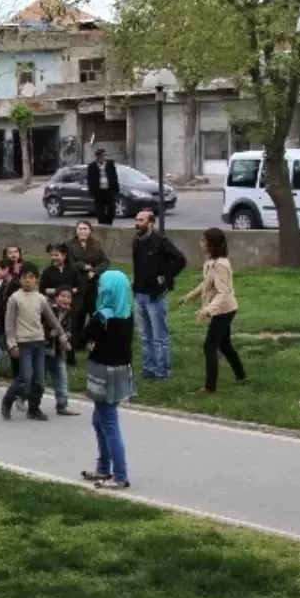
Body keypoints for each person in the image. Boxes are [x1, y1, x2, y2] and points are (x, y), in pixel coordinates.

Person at [81, 270, 136, 490]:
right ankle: (103, 467)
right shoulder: (127, 313)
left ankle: (120, 475)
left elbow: (81, 339)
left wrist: (89, 342)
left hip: (103, 370)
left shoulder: (101, 317)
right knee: (100, 419)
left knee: (109, 422)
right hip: (121, 369)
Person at [179, 227, 246, 395]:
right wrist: (189, 296)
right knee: (225, 345)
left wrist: (208, 311)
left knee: (210, 347)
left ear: (211, 244)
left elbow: (223, 292)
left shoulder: (221, 265)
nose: (200, 243)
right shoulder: (211, 262)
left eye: (203, 241)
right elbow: (207, 284)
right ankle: (242, 376)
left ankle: (210, 388)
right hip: (223, 309)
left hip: (224, 311)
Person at [2, 263, 69, 421]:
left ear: (36, 280)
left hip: (39, 342)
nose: (27, 281)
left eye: (31, 278)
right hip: (23, 343)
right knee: (25, 377)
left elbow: (52, 319)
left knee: (39, 379)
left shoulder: (41, 298)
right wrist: (12, 344)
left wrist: (62, 335)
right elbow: (9, 325)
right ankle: (7, 400)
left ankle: (33, 408)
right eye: (25, 278)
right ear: (20, 279)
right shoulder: (14, 299)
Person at [132, 210, 187, 380]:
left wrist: (165, 278)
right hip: (139, 293)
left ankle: (163, 372)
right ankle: (149, 369)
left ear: (151, 223)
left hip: (155, 296)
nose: (137, 223)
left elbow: (180, 260)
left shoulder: (160, 242)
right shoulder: (137, 242)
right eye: (136, 220)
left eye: (141, 220)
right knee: (144, 335)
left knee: (159, 336)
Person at [67, 220, 110, 343]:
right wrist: (83, 266)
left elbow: (105, 262)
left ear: (90, 231)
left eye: (85, 228)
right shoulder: (69, 245)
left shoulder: (96, 244)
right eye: (80, 228)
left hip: (92, 283)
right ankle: (76, 340)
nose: (82, 231)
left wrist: (95, 271)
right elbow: (67, 262)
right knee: (77, 312)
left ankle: (94, 339)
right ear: (76, 230)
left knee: (93, 310)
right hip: (77, 282)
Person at [46, 287, 79, 417]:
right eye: (63, 296)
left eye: (68, 297)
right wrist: (50, 334)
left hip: (58, 351)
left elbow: (69, 330)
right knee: (36, 379)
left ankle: (62, 405)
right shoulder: (48, 310)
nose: (66, 299)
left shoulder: (69, 313)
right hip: (45, 349)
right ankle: (23, 398)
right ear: (56, 297)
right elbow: (40, 326)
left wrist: (67, 340)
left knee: (62, 377)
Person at [39, 243, 85, 311]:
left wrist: (70, 292)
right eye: (51, 255)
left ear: (64, 255)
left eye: (56, 255)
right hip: (52, 307)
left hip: (70, 307)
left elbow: (81, 287)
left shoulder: (72, 270)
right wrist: (56, 291)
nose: (53, 258)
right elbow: (42, 289)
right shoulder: (47, 272)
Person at [86, 148, 120, 226]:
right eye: (102, 156)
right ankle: (102, 223)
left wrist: (116, 189)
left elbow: (114, 177)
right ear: (98, 157)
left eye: (104, 156)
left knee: (111, 208)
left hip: (109, 190)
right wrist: (92, 192)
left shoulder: (110, 164)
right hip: (99, 191)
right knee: (99, 209)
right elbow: (89, 179)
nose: (104, 158)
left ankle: (109, 222)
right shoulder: (92, 166)